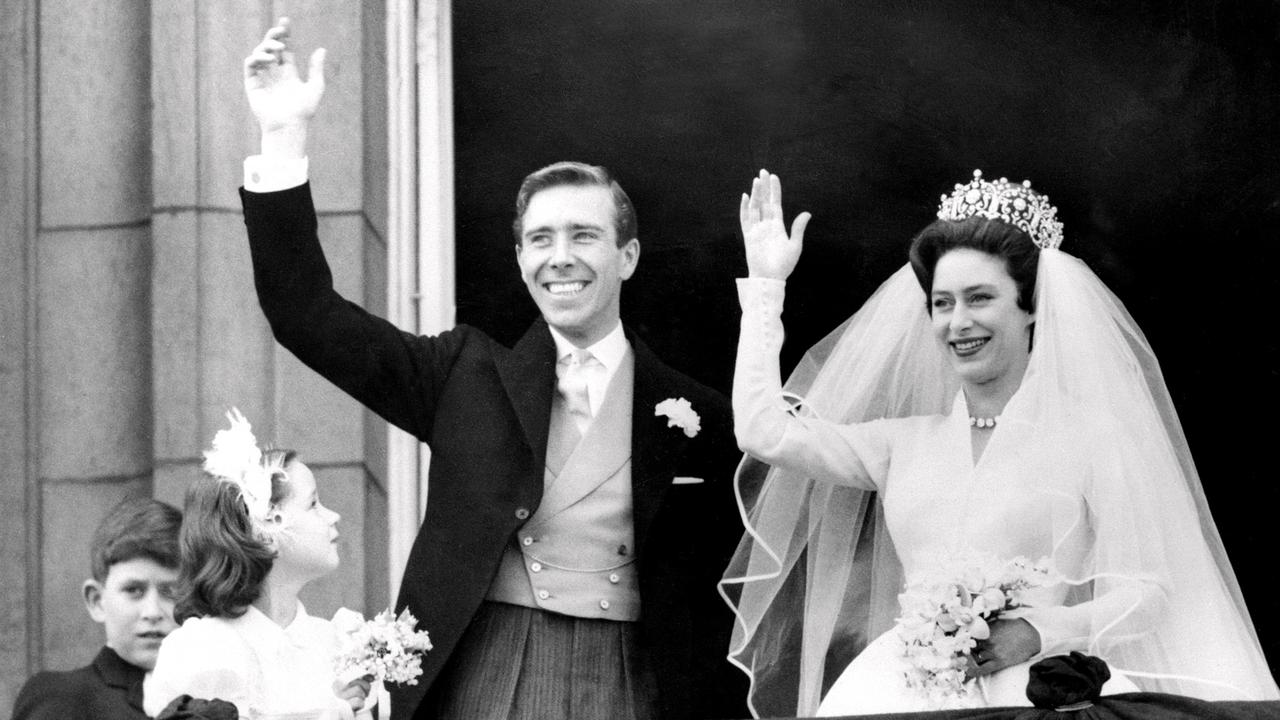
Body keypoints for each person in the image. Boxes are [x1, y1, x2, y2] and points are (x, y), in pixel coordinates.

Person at [237, 18, 746, 720]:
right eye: (540, 239)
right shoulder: (464, 374)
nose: (559, 256)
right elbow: (303, 313)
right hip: (488, 669)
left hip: (635, 680)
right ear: (520, 260)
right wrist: (283, 136)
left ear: (626, 257)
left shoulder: (699, 415)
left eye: (584, 236)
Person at [720, 169, 1280, 716]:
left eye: (980, 298)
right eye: (943, 303)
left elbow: (1148, 590)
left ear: (1031, 305)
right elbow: (764, 432)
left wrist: (1040, 630)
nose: (957, 322)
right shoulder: (899, 444)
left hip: (1043, 692)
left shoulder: (1090, 438)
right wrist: (767, 289)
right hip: (903, 685)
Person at [143, 409, 376, 720]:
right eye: (313, 504)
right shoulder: (202, 647)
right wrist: (330, 712)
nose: (333, 516)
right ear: (264, 534)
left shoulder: (335, 644)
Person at [12, 497, 182, 720]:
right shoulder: (62, 698)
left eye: (170, 591)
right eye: (133, 590)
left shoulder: (217, 697)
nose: (152, 612)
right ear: (97, 601)